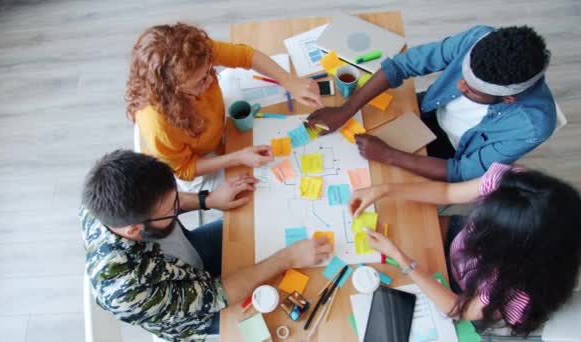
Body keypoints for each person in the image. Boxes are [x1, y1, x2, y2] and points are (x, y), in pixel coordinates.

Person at [80, 150, 332, 341]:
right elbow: (220, 294)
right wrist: (287, 258)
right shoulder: (126, 291)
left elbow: (165, 200)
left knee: (262, 226)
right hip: (199, 311)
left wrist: (207, 200)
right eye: (171, 210)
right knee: (292, 306)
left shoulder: (107, 198)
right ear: (134, 230)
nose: (177, 208)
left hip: (189, 256)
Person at [349, 163, 581, 335]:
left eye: (483, 225)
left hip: (463, 294)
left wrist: (401, 258)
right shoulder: (513, 186)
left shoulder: (516, 287)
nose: (474, 219)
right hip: (457, 252)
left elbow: (458, 310)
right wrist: (384, 189)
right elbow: (447, 193)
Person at [307, 26, 556, 182]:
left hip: (449, 154)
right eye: (462, 77)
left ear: (508, 98)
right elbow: (401, 65)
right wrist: (346, 109)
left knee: (385, 187)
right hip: (427, 109)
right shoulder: (478, 39)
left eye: (471, 90)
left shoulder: (533, 126)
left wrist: (389, 156)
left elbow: (461, 171)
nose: (460, 86)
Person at [126, 23, 322, 192]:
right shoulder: (159, 124)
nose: (211, 79)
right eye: (200, 81)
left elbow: (245, 55)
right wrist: (236, 158)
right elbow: (185, 169)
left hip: (218, 128)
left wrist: (288, 81)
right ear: (172, 90)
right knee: (256, 189)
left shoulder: (193, 52)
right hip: (201, 165)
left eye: (210, 69)